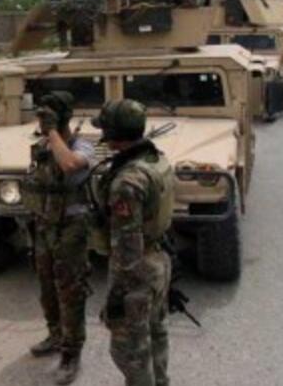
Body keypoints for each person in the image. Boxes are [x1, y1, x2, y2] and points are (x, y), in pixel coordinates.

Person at [92, 99, 175, 386]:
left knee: (130, 350)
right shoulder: (154, 159)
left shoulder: (127, 183)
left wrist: (117, 295)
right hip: (158, 260)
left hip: (137, 271)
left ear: (113, 133)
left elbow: (127, 247)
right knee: (156, 333)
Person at [23, 91, 93, 385]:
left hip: (71, 227)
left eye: (47, 117)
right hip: (44, 226)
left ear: (61, 118)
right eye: (41, 117)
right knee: (47, 287)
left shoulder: (82, 146)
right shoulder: (42, 145)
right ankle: (55, 334)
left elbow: (69, 165)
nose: (41, 123)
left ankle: (71, 353)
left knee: (70, 291)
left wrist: (53, 132)